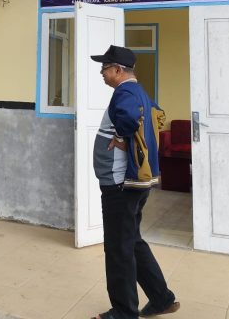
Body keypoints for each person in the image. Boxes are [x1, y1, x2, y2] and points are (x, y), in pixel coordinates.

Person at [90, 45, 179, 319]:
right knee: (131, 241)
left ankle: (123, 311)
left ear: (118, 70)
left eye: (105, 68)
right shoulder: (140, 92)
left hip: (120, 184)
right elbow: (157, 115)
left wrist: (122, 137)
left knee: (118, 247)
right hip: (131, 184)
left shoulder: (124, 92)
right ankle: (161, 299)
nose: (102, 73)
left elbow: (129, 119)